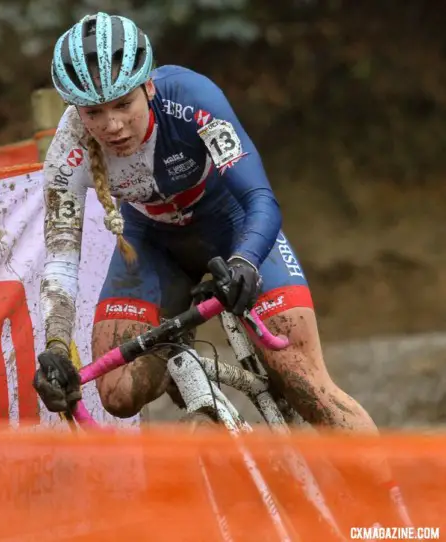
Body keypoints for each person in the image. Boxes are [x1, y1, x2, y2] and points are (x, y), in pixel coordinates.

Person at [32, 12, 410, 524]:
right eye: (95, 112)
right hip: (153, 247)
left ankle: (402, 521)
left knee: (307, 385)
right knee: (117, 394)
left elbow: (260, 200)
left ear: (147, 85)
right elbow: (59, 258)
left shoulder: (193, 98)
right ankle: (191, 384)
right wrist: (56, 347)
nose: (113, 125)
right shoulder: (69, 150)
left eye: (123, 104)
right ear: (77, 110)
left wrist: (244, 262)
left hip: (232, 230)